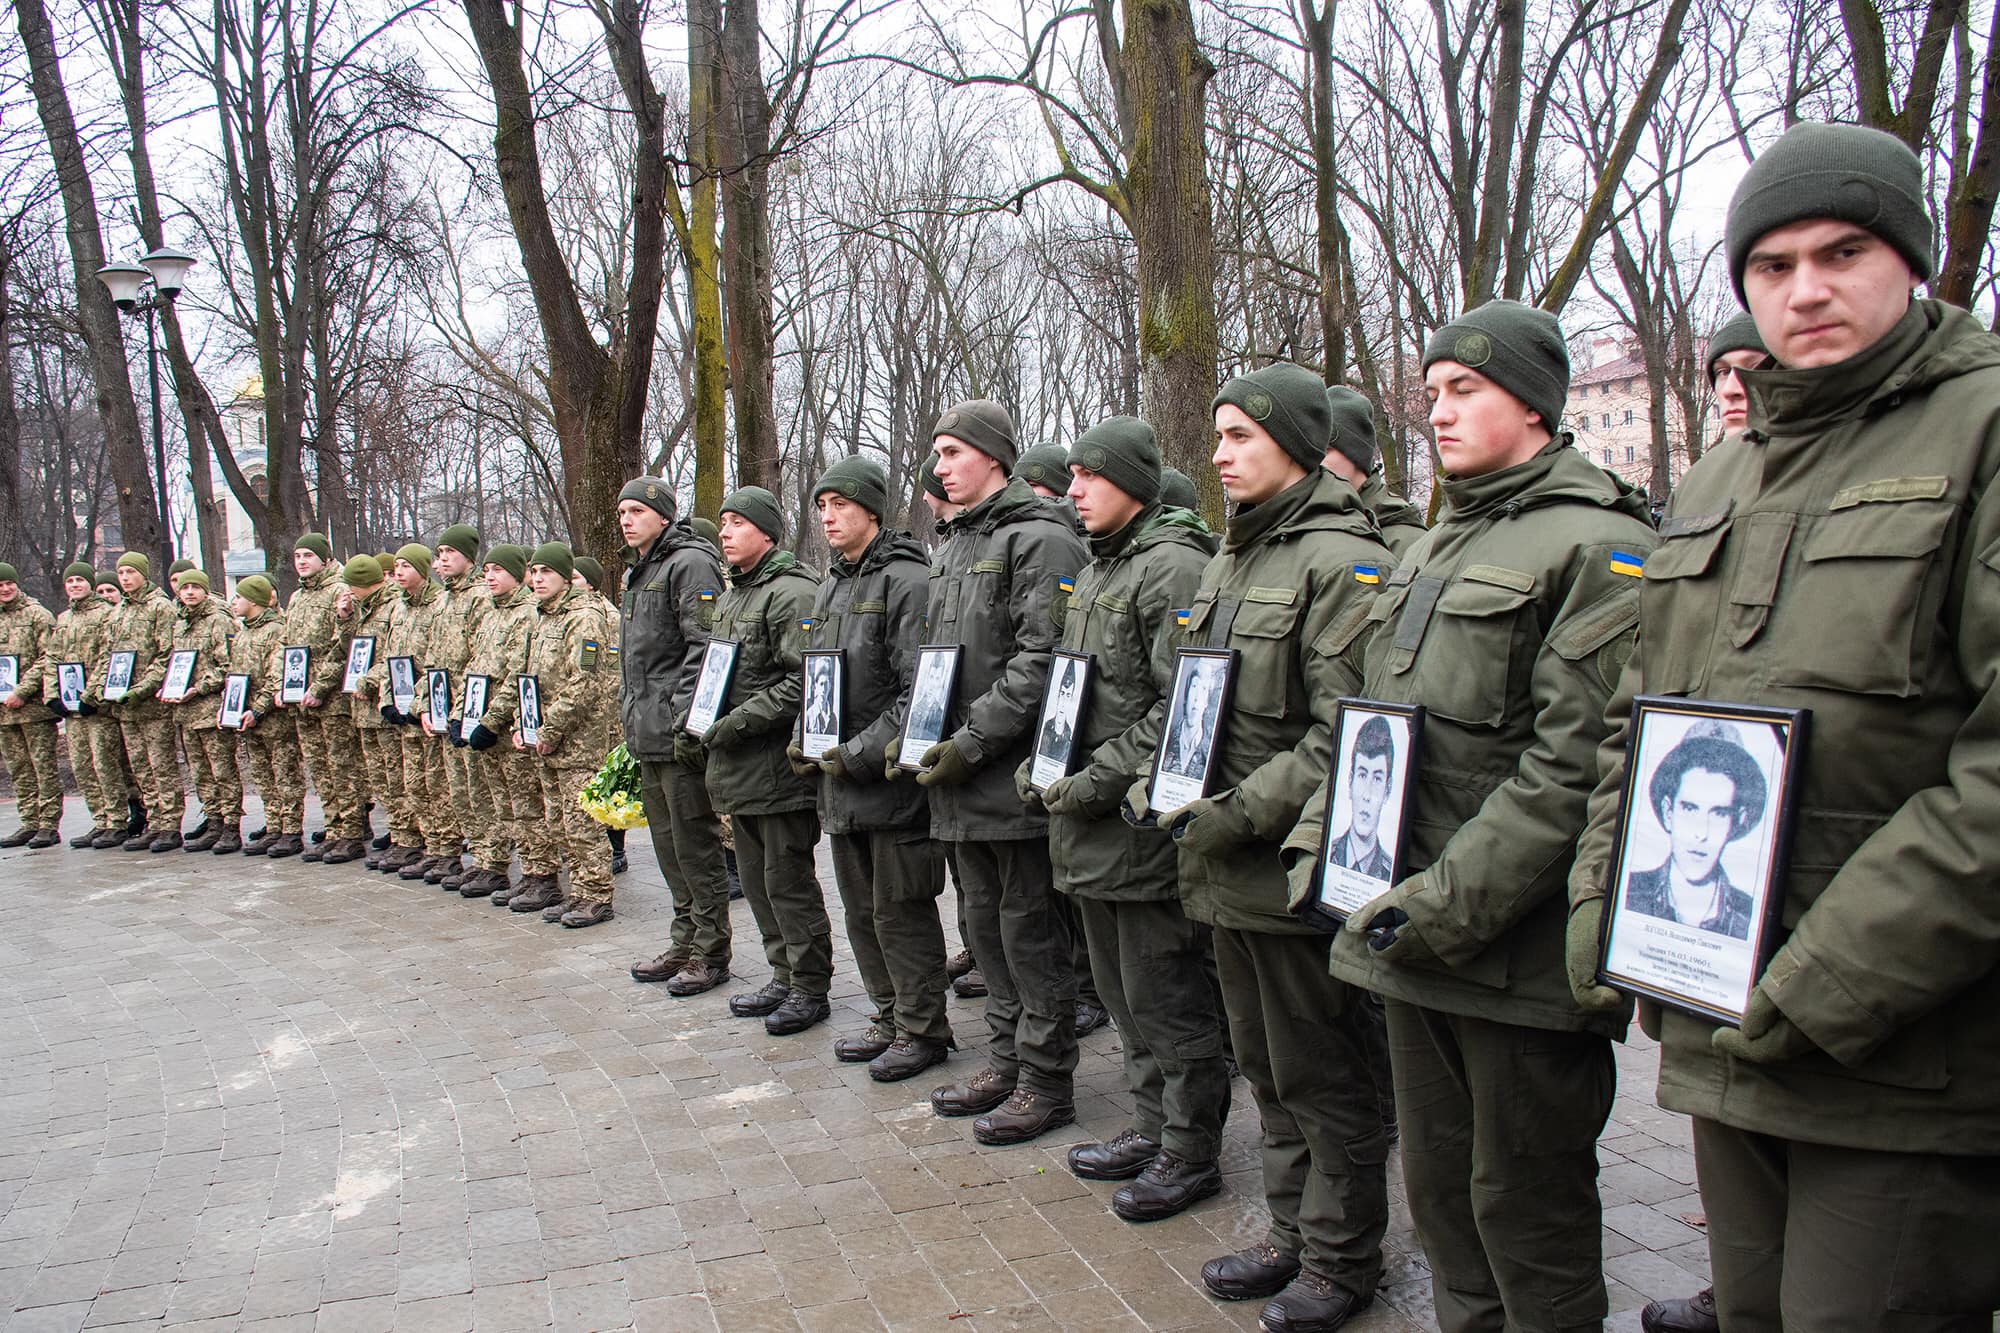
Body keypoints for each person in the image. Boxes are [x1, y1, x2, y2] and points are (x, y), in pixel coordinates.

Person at [1565, 121, 2000, 1333]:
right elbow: (1634, 720)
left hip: (1896, 1057)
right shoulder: (1720, 474)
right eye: (1769, 265)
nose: (1803, 288)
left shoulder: (1980, 431)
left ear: (1906, 258)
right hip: (1718, 1029)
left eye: (1842, 251)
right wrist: (1607, 900)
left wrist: (1822, 981)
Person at [1293, 300, 1656, 1333]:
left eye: (1465, 390)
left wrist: (1437, 907)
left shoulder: (1599, 544)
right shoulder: (1431, 543)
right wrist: (1330, 855)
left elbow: (1573, 765)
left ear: (1534, 405)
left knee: (1525, 1206)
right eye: (1431, 392)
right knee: (1442, 1196)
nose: (1436, 413)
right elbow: (1373, 727)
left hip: (1517, 958)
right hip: (1412, 937)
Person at [1139, 362, 1393, 1331]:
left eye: (1238, 435)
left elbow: (1344, 733)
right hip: (1218, 866)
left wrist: (1237, 812)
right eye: (1216, 436)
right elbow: (1198, 699)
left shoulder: (1339, 559)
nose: (1216, 453)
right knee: (1266, 1066)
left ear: (1290, 439)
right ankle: (1291, 1232)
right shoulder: (1230, 557)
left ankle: (1340, 1254)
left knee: (1322, 1072)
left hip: (1284, 866)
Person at [1019, 416, 1230, 1222]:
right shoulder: (1107, 567)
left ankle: (1189, 1149)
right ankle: (1152, 1127)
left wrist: (1096, 780)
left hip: (1136, 829)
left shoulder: (1170, 567)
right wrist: (1047, 762)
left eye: (1090, 476)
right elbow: (1081, 692)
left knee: (1164, 997)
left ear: (1134, 483)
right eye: (1070, 475)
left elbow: (1183, 710)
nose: (1074, 491)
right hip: (1087, 829)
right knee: (1119, 992)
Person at [1633, 310, 1769, 1333]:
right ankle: (1737, 1281)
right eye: (1719, 370)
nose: (1730, 385)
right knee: (1721, 1122)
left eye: (1748, 369)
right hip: (1704, 881)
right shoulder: (1708, 492)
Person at [915, 398, 1088, 1146]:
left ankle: (1046, 1079)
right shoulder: (953, 542)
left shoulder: (1037, 538)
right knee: (984, 925)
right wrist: (926, 735)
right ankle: (1006, 1057)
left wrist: (973, 741)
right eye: (938, 452)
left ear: (992, 455)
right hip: (958, 777)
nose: (940, 464)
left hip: (1010, 777)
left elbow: (1040, 660)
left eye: (953, 451)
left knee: (1028, 931)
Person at [798, 455, 954, 1080]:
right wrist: (806, 738)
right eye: (822, 507)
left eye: (840, 505)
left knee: (900, 908)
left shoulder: (905, 579)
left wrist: (859, 753)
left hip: (888, 783)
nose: (828, 518)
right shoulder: (833, 582)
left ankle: (923, 1027)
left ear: (871, 510)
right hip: (839, 784)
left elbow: (920, 690)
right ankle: (889, 1013)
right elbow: (820, 676)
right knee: (861, 909)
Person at [702, 487, 832, 1033]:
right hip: (739, 770)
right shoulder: (734, 595)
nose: (725, 532)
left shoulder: (790, 592)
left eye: (737, 523)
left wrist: (736, 721)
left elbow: (804, 680)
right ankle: (783, 972)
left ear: (768, 533)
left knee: (787, 880)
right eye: (723, 522)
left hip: (777, 769)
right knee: (756, 881)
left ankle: (810, 984)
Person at [618, 479, 736, 996]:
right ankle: (684, 939)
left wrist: (688, 719)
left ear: (664, 516)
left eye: (638, 510)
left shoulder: (689, 564)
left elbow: (705, 649)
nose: (627, 519)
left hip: (677, 733)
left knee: (695, 845)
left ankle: (710, 952)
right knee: (667, 847)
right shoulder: (640, 570)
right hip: (647, 732)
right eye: (622, 510)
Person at [508, 543, 615, 926]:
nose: (537, 579)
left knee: (580, 821)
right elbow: (529, 681)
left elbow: (583, 682)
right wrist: (527, 727)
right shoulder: (542, 617)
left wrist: (549, 729)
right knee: (558, 820)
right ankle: (579, 891)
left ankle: (597, 894)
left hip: (578, 740)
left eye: (546, 573)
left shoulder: (583, 617)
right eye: (534, 572)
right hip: (547, 738)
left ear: (565, 576)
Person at [1622, 722, 1765, 939]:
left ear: (1737, 821)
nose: (1701, 833)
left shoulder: (1751, 917)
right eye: (1690, 809)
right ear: (1668, 813)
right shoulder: (1627, 894)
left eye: (1719, 813)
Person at [275, 534, 365, 863]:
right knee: (320, 767)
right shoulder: (297, 597)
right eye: (298, 555)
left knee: (342, 766)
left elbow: (343, 648)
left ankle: (353, 831)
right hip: (301, 698)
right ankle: (334, 827)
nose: (301, 561)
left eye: (309, 555)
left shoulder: (338, 592)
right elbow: (286, 646)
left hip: (331, 698)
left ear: (325, 560)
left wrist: (319, 687)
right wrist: (283, 685)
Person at [463, 545, 546, 902]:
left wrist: (491, 721)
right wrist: (462, 718)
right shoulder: (492, 614)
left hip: (511, 728)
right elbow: (476, 669)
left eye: (498, 570)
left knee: (527, 806)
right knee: (503, 806)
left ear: (517, 573)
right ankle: (523, 871)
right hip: (487, 727)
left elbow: (518, 675)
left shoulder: (527, 613)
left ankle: (541, 874)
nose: (490, 577)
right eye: (486, 571)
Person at [108, 553, 185, 851]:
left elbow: (167, 656)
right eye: (121, 572)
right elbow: (111, 656)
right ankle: (154, 819)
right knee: (141, 766)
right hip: (127, 706)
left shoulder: (160, 607)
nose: (125, 578)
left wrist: (141, 688)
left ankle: (170, 824)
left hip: (152, 703)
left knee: (161, 765)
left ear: (144, 574)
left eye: (131, 572)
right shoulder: (119, 612)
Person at [430, 524, 489, 890]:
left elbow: (479, 661)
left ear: (468, 556)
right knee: (457, 791)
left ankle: (488, 858)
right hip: (444, 708)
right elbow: (432, 658)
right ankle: (473, 856)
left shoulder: (481, 597)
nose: (441, 561)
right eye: (438, 555)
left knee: (478, 788)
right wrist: (427, 703)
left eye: (449, 553)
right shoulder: (443, 599)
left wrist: (463, 713)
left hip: (471, 709)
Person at [45, 563, 121, 847]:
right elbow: (52, 658)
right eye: (70, 580)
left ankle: (116, 820)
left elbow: (108, 657)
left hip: (96, 707)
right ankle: (99, 819)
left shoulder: (106, 615)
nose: (75, 584)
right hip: (71, 708)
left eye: (80, 580)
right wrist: (52, 694)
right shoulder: (64, 618)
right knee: (82, 766)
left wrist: (90, 695)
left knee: (104, 763)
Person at [230, 575, 306, 856]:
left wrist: (259, 708)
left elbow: (277, 677)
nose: (234, 602)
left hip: (273, 719)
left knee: (285, 775)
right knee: (263, 776)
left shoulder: (275, 631)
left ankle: (291, 830)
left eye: (239, 597)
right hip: (250, 719)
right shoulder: (242, 633)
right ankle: (274, 826)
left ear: (254, 600)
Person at [167, 572, 242, 853]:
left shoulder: (218, 621)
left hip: (211, 709)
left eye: (195, 587)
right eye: (184, 588)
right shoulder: (181, 624)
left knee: (222, 770)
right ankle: (214, 821)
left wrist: (199, 687)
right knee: (200, 772)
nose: (189, 592)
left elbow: (228, 665)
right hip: (186, 712)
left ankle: (232, 826)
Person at [571, 555, 628, 875]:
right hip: (594, 717)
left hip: (606, 717)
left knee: (608, 786)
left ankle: (615, 849)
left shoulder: (607, 617)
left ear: (591, 584)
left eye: (576, 579)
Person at [0, 562, 62, 848]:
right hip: (4, 712)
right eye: (0, 585)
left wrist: (23, 691)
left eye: (9, 583)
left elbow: (48, 657)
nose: (5, 589)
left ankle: (48, 825)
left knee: (42, 766)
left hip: (33, 708)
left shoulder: (37, 615)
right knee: (19, 768)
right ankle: (29, 822)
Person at [1322, 386, 1426, 553]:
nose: (1314, 461)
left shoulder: (1405, 540)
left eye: (1326, 451)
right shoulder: (1313, 522)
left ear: (1355, 453)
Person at [1326, 715, 1395, 881]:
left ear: (1388, 789)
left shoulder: (1390, 874)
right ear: (1350, 781)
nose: (1367, 795)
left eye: (1377, 779)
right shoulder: (1325, 855)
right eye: (1362, 775)